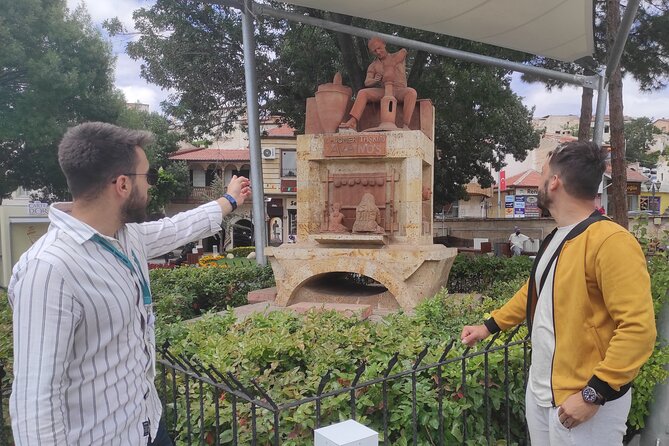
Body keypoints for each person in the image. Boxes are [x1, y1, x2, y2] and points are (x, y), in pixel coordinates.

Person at [7, 122, 251, 445]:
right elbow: (35, 406)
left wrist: (228, 201)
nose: (150, 186)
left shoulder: (127, 236)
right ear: (122, 184)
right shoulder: (50, 270)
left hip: (148, 423)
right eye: (146, 176)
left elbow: (178, 228)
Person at [460, 141, 656, 445]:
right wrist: (488, 326)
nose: (539, 182)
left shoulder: (611, 241)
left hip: (585, 403)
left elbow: (638, 330)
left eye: (542, 174)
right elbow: (536, 292)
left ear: (554, 182)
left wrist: (594, 394)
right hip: (541, 395)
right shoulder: (557, 237)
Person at [340, 37, 417, 131]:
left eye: (379, 48)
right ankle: (353, 121)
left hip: (400, 90)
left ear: (384, 44)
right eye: (374, 51)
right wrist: (375, 80)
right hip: (384, 91)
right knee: (363, 93)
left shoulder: (396, 56)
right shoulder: (373, 65)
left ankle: (406, 125)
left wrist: (389, 66)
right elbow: (367, 82)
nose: (378, 52)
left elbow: (403, 52)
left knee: (411, 92)